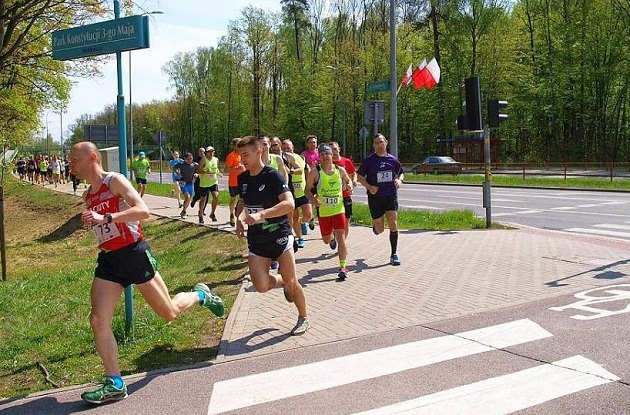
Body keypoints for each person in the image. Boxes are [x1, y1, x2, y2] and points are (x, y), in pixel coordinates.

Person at [69, 141, 224, 405]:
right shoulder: (88, 195)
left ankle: (200, 295)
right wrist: (94, 221)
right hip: (109, 261)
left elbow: (143, 211)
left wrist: (105, 219)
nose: (70, 164)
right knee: (97, 320)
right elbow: (102, 223)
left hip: (133, 254)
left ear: (92, 157)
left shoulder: (114, 182)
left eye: (74, 159)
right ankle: (115, 382)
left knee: (169, 312)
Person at [234, 136, 309, 335]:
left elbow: (289, 204)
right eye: (240, 155)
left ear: (259, 151)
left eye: (246, 155)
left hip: (280, 236)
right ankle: (282, 280)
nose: (242, 160)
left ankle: (303, 317)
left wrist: (261, 214)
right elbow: (243, 203)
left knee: (293, 282)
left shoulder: (272, 176)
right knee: (260, 285)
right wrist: (239, 220)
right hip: (257, 240)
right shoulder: (242, 178)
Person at [305, 144, 353, 280]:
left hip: (339, 209)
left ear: (332, 155)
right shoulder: (315, 172)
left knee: (341, 236)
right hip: (324, 212)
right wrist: (313, 200)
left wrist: (349, 185)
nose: (325, 156)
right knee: (326, 240)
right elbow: (306, 190)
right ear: (319, 157)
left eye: (327, 154)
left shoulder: (340, 170)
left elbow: (348, 181)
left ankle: (343, 266)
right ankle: (330, 238)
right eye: (322, 155)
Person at [356, 134, 405, 266]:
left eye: (381, 142)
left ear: (386, 143)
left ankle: (393, 254)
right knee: (381, 229)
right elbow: (359, 175)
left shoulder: (393, 160)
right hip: (375, 197)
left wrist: (399, 180)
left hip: (390, 195)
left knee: (393, 222)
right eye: (376, 143)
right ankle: (376, 226)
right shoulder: (369, 161)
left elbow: (401, 172)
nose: (379, 144)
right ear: (374, 145)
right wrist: (369, 186)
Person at [282, 139, 312, 249]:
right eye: (284, 149)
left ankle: (302, 222)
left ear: (293, 147)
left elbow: (305, 170)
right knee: (294, 217)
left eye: (288, 148)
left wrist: (310, 184)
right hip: (291, 193)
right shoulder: (282, 159)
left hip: (302, 191)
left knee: (308, 215)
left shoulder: (300, 158)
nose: (286, 150)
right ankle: (300, 238)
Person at [330, 141, 357, 238]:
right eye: (331, 150)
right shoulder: (327, 164)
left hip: (346, 196)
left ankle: (342, 244)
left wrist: (353, 182)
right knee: (334, 222)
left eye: (335, 149)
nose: (333, 152)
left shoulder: (346, 161)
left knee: (346, 222)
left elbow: (353, 174)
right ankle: (333, 236)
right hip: (333, 197)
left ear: (339, 149)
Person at [196, 146, 221, 224]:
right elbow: (198, 170)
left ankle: (212, 213)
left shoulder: (216, 159)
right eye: (210, 152)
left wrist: (218, 173)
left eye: (213, 151)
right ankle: (200, 214)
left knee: (216, 196)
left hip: (213, 181)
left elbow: (216, 168)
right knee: (203, 199)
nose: (211, 153)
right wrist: (205, 171)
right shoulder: (203, 160)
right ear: (206, 153)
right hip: (204, 183)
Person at [224, 138, 246, 227]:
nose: (240, 146)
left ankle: (238, 214)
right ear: (234, 146)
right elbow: (226, 170)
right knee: (233, 198)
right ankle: (231, 214)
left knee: (243, 199)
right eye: (238, 145)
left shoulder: (244, 154)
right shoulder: (231, 156)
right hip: (234, 181)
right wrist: (236, 168)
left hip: (243, 180)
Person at [301, 134, 319, 233]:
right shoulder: (304, 155)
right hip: (309, 181)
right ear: (307, 144)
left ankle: (316, 218)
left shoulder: (320, 153)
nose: (313, 144)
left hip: (320, 180)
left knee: (319, 200)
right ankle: (307, 220)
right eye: (311, 142)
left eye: (314, 142)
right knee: (310, 202)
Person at [174, 152, 198, 220]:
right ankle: (184, 212)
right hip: (183, 182)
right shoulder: (181, 165)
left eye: (191, 159)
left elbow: (198, 170)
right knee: (187, 197)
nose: (190, 160)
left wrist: (196, 174)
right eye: (188, 159)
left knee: (189, 199)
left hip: (190, 183)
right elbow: (174, 168)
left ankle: (183, 210)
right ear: (185, 159)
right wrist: (178, 174)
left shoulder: (194, 164)